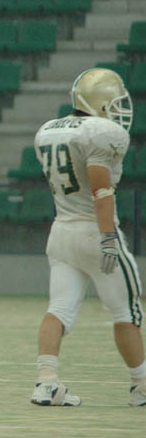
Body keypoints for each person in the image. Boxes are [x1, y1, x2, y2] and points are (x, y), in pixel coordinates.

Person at [30, 68, 145, 407]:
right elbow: (101, 190)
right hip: (95, 231)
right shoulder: (102, 132)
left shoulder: (49, 130)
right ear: (101, 102)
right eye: (115, 103)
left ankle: (46, 382)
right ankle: (141, 385)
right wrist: (108, 236)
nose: (119, 111)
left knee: (58, 309)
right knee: (126, 312)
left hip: (61, 232)